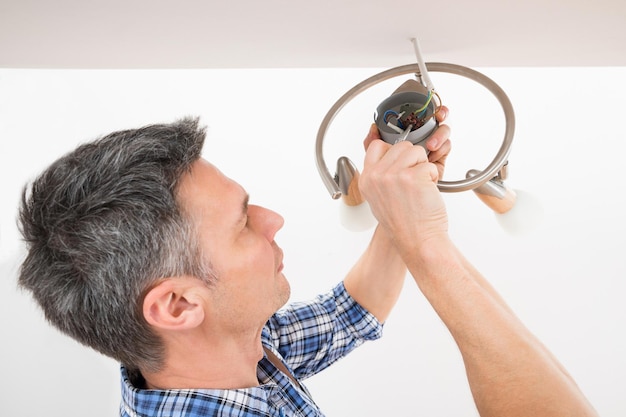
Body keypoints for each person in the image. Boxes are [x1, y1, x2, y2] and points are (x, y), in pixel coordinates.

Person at [16, 105, 597, 417]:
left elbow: (351, 314)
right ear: (177, 304)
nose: (273, 221)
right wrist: (426, 243)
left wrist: (397, 200)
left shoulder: (212, 357)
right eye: (244, 221)